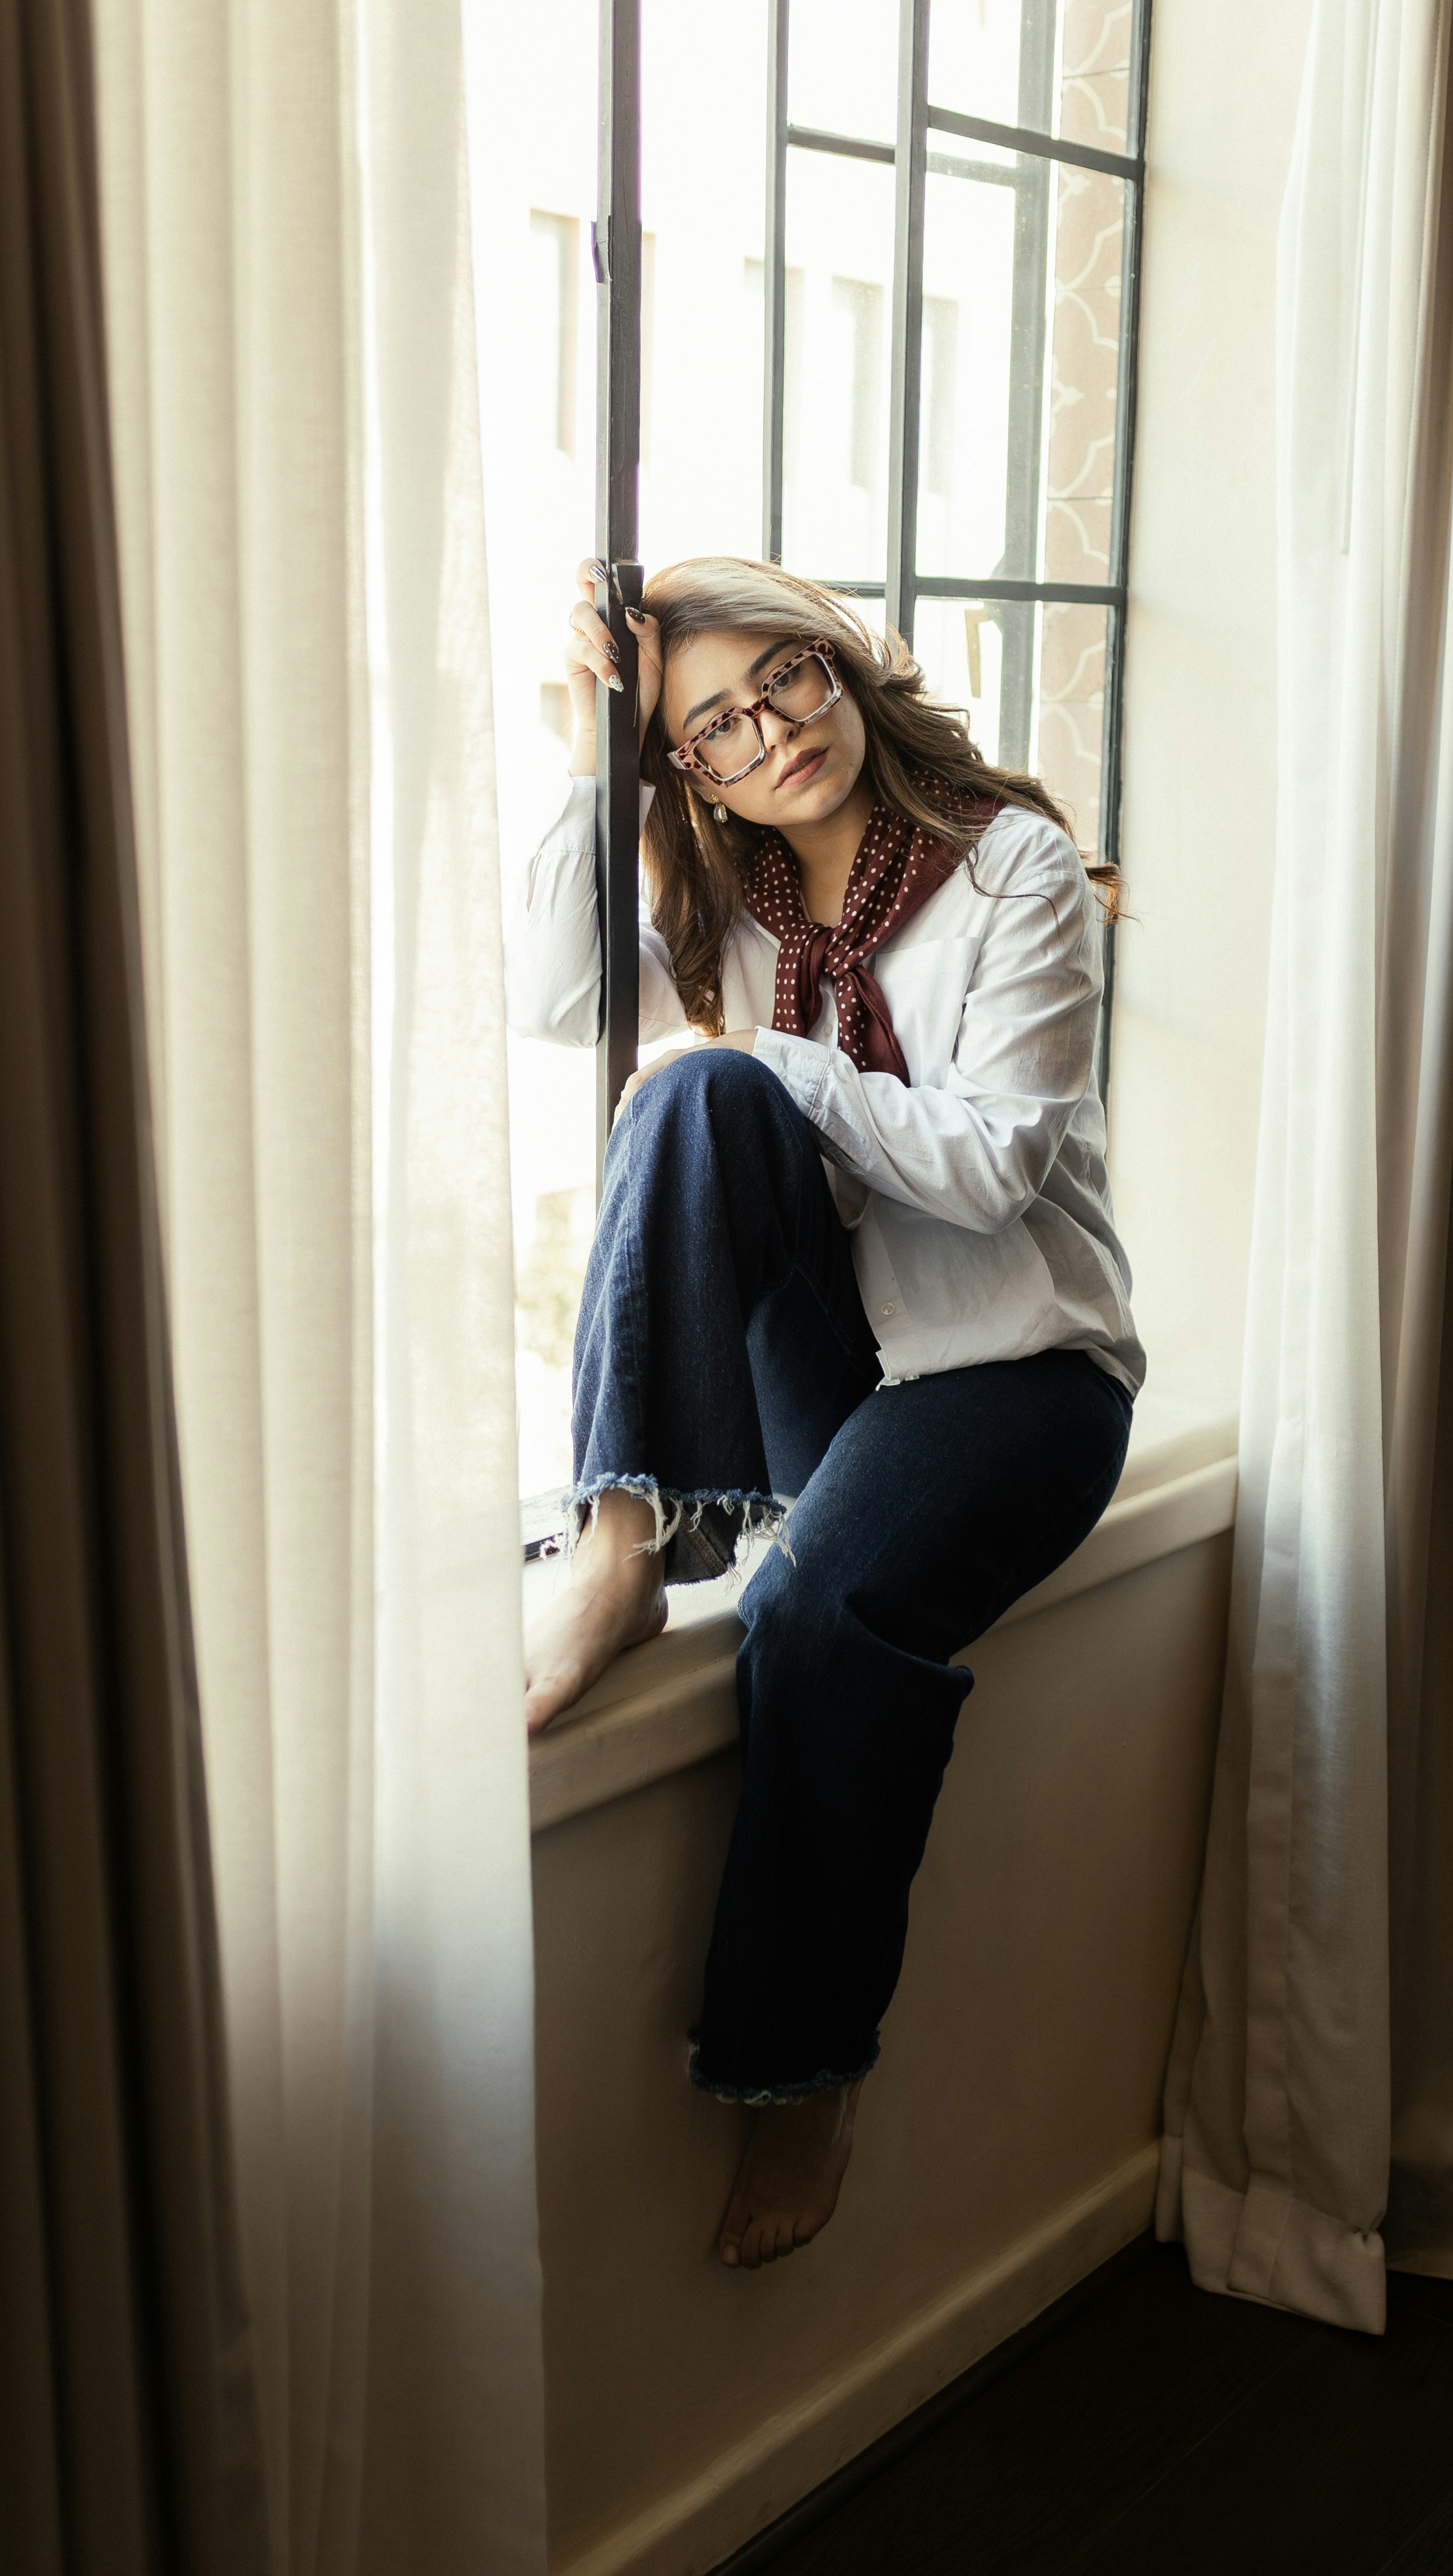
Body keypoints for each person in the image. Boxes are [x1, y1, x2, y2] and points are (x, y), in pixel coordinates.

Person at [509, 554, 1143, 2273]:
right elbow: (572, 1013)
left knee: (815, 1607)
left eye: (783, 680)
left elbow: (1003, 1163)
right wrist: (596, 744)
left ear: (839, 664)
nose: (769, 730)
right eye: (709, 725)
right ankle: (625, 1537)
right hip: (827, 1379)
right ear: (688, 773)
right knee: (691, 1089)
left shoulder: (1009, 864)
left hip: (1016, 1370)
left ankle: (799, 2063)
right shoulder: (723, 910)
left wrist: (770, 1062)